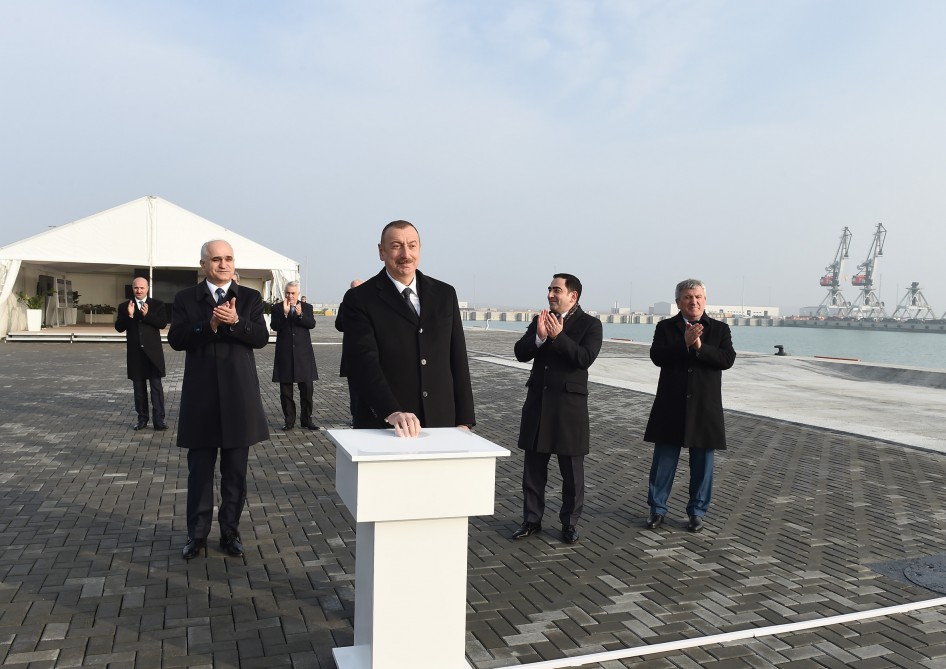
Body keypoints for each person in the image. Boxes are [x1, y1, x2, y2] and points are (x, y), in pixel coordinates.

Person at [168, 239, 270, 560]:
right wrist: (209, 325)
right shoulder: (186, 298)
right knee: (199, 473)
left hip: (239, 397)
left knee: (235, 474)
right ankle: (196, 535)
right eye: (216, 259)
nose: (223, 264)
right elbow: (176, 339)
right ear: (203, 265)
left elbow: (261, 338)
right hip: (201, 399)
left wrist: (236, 322)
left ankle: (230, 533)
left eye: (228, 258)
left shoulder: (250, 297)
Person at [339, 220, 474, 437]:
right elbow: (363, 363)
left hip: (442, 423)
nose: (406, 254)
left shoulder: (445, 294)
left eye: (412, 246)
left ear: (420, 249)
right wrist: (391, 411)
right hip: (387, 427)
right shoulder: (360, 298)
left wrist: (464, 420)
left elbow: (458, 358)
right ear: (381, 252)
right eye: (396, 246)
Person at [511, 274, 602, 544]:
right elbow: (520, 352)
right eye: (549, 289)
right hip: (538, 405)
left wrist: (559, 337)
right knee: (533, 470)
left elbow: (584, 358)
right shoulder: (541, 319)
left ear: (573, 296)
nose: (550, 294)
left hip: (568, 409)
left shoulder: (590, 325)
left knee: (572, 474)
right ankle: (531, 520)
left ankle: (569, 524)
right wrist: (539, 338)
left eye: (556, 290)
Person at [643, 279, 736, 533]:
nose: (693, 302)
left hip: (705, 407)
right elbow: (657, 356)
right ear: (678, 302)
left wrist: (699, 347)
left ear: (705, 300)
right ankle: (657, 509)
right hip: (671, 404)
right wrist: (683, 343)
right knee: (663, 462)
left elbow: (727, 359)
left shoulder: (719, 329)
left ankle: (697, 512)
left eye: (697, 297)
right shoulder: (665, 327)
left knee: (703, 465)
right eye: (687, 297)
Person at [114, 277, 168, 431]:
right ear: (132, 288)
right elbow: (119, 327)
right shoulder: (124, 306)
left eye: (142, 288)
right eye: (136, 288)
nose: (139, 290)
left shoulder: (157, 304)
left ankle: (159, 420)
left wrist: (147, 315)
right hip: (136, 355)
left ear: (147, 288)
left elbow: (162, 324)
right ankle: (142, 419)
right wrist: (129, 315)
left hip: (153, 354)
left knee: (156, 388)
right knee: (139, 390)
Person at [270, 280, 319, 430]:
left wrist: (300, 315)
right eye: (287, 293)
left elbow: (311, 324)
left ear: (298, 294)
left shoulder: (307, 307)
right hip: (285, 355)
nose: (290, 296)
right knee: (286, 392)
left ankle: (306, 420)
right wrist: (285, 314)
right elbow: (274, 326)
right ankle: (289, 421)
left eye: (293, 293)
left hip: (303, 356)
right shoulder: (277, 308)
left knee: (307, 390)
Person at [334, 279, 363, 424]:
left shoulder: (372, 303)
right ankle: (355, 416)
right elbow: (339, 325)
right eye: (353, 289)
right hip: (351, 352)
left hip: (370, 353)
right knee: (354, 389)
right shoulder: (344, 305)